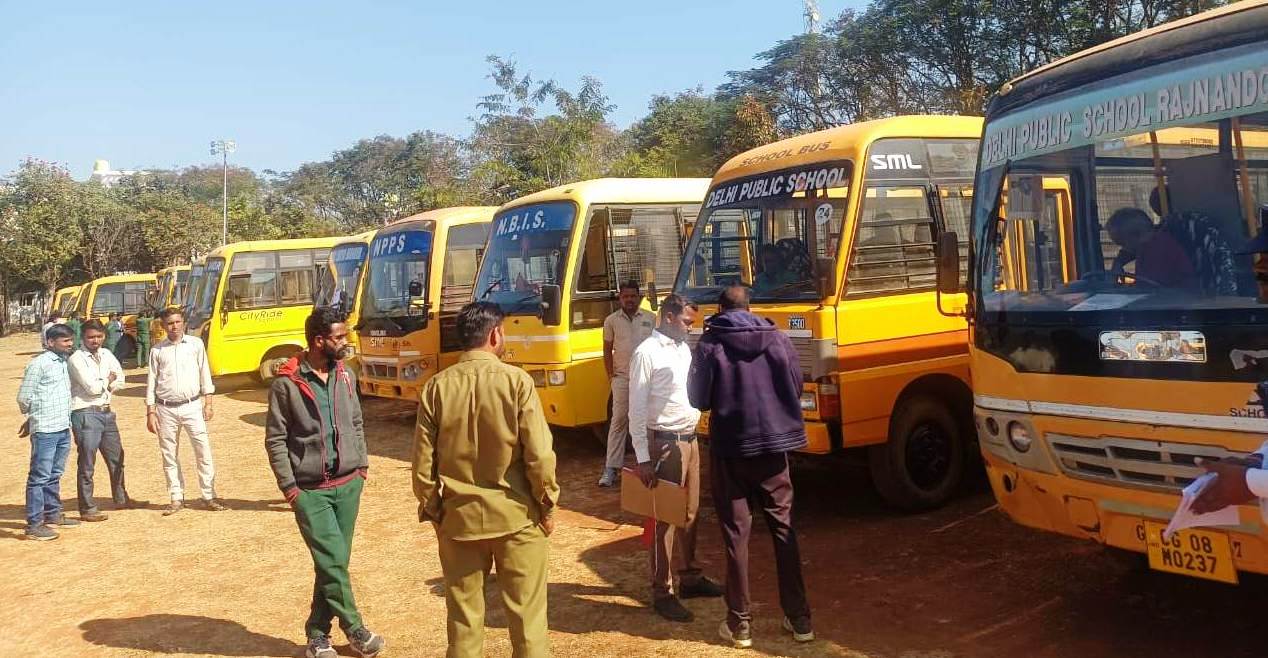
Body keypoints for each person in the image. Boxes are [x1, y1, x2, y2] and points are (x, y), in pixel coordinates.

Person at [412, 301, 559, 658]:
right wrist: (547, 504)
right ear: (495, 335)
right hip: (517, 518)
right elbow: (539, 456)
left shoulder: (436, 388)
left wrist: (435, 511)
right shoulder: (517, 382)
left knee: (463, 623)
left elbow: (421, 467)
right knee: (528, 625)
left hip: (459, 521)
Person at [687, 285, 813, 648]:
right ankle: (800, 619)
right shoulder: (777, 338)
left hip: (732, 450)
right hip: (775, 449)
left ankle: (739, 624)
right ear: (750, 307)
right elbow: (796, 383)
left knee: (736, 538)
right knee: (783, 531)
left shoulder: (711, 343)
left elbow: (698, 398)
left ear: (721, 310)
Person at [266, 307, 384, 658]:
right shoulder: (286, 383)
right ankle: (356, 629)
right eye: (338, 337)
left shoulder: (345, 374)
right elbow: (275, 440)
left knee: (333, 563)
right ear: (319, 341)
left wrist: (361, 466)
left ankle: (317, 634)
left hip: (349, 484)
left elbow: (357, 422)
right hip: (310, 491)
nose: (345, 342)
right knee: (332, 561)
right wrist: (290, 489)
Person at [628, 294, 723, 622]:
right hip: (665, 444)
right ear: (668, 317)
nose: (689, 328)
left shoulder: (683, 348)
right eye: (686, 322)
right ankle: (662, 590)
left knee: (690, 512)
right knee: (664, 518)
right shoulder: (646, 353)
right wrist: (642, 457)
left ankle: (690, 577)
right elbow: (636, 408)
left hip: (691, 441)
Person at [145, 307, 225, 515]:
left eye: (177, 322)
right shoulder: (157, 350)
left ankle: (208, 495)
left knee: (202, 450)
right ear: (163, 326)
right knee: (169, 454)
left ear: (184, 323)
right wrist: (150, 412)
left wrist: (208, 402)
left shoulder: (195, 345)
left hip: (192, 405)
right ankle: (176, 497)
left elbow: (204, 373)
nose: (174, 327)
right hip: (165, 408)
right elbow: (152, 382)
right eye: (169, 323)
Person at [68, 319, 143, 522]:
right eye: (91, 337)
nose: (95, 340)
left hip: (106, 411)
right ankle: (87, 507)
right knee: (87, 461)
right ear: (82, 338)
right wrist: (108, 380)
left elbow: (121, 379)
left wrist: (107, 383)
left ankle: (121, 498)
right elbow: (91, 388)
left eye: (99, 336)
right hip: (85, 413)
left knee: (116, 457)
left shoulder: (107, 354)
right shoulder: (76, 359)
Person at [17, 323, 80, 540]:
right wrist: (34, 418)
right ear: (50, 342)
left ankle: (53, 514)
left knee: (55, 474)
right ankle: (34, 525)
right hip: (45, 430)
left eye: (71, 340)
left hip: (63, 427)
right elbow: (24, 397)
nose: (70, 344)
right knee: (39, 477)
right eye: (65, 341)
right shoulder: (39, 364)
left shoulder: (63, 362)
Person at [597, 280, 656, 488]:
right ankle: (611, 469)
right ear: (620, 298)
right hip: (621, 378)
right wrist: (611, 376)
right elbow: (607, 350)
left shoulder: (651, 319)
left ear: (639, 297)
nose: (629, 299)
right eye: (625, 296)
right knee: (618, 422)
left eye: (633, 296)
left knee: (647, 422)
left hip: (647, 380)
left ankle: (650, 466)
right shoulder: (611, 321)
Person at [1106, 207, 1197, 289]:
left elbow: (1147, 287)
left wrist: (1122, 283)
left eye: (1122, 243)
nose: (1123, 248)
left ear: (1136, 235)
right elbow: (1126, 253)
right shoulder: (1154, 238)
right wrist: (1118, 262)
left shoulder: (1157, 252)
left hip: (1179, 300)